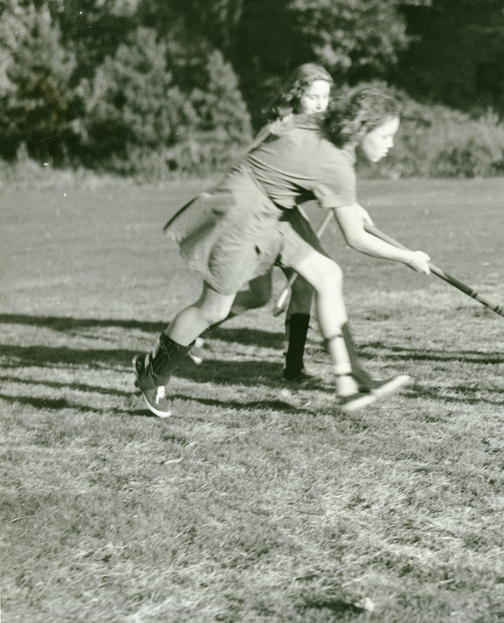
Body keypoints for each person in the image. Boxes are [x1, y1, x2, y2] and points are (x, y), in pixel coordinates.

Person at [133, 81, 431, 418]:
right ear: (362, 130)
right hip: (241, 213)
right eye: (386, 136)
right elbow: (355, 238)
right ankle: (152, 371)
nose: (391, 145)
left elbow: (278, 142)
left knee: (328, 275)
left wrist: (346, 203)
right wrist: (408, 257)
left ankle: (350, 381)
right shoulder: (338, 169)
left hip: (275, 209)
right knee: (213, 310)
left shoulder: (322, 124)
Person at [195, 64, 334, 382]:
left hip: (287, 216)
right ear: (297, 95)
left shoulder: (318, 129)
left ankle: (293, 366)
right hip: (259, 218)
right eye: (314, 96)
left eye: (325, 97)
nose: (320, 104)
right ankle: (188, 334)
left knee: (305, 283)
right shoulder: (282, 127)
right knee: (258, 296)